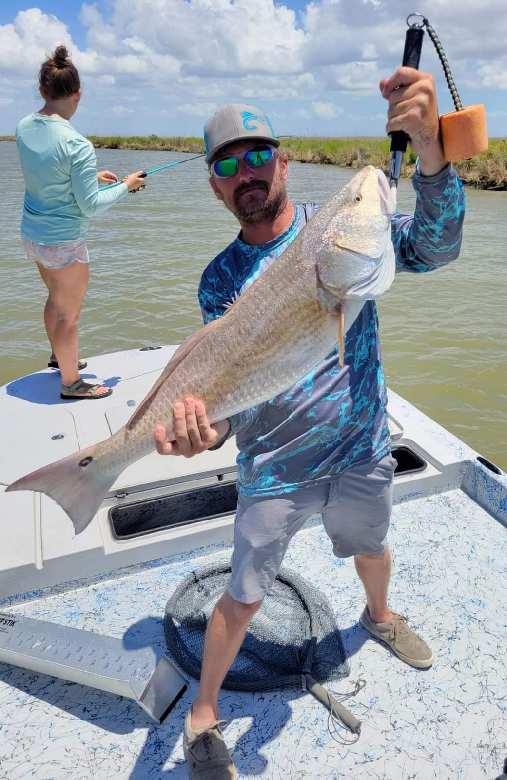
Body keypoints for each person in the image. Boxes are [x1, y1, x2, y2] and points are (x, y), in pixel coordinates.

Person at [154, 67, 465, 779]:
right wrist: (206, 430)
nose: (246, 173)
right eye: (227, 164)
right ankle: (205, 710)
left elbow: (433, 246)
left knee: (371, 545)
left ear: (284, 162)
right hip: (275, 468)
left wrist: (431, 156)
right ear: (214, 187)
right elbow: (233, 385)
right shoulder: (219, 279)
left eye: (258, 154)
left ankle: (379, 618)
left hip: (360, 446)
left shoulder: (348, 230)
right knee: (243, 592)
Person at [16, 45, 146, 400]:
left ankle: (61, 361)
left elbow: (49, 174)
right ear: (78, 95)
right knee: (68, 314)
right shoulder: (77, 143)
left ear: (43, 91)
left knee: (55, 300)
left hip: (32, 235)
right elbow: (90, 206)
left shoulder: (24, 127)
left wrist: (89, 176)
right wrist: (125, 185)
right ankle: (71, 383)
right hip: (63, 242)